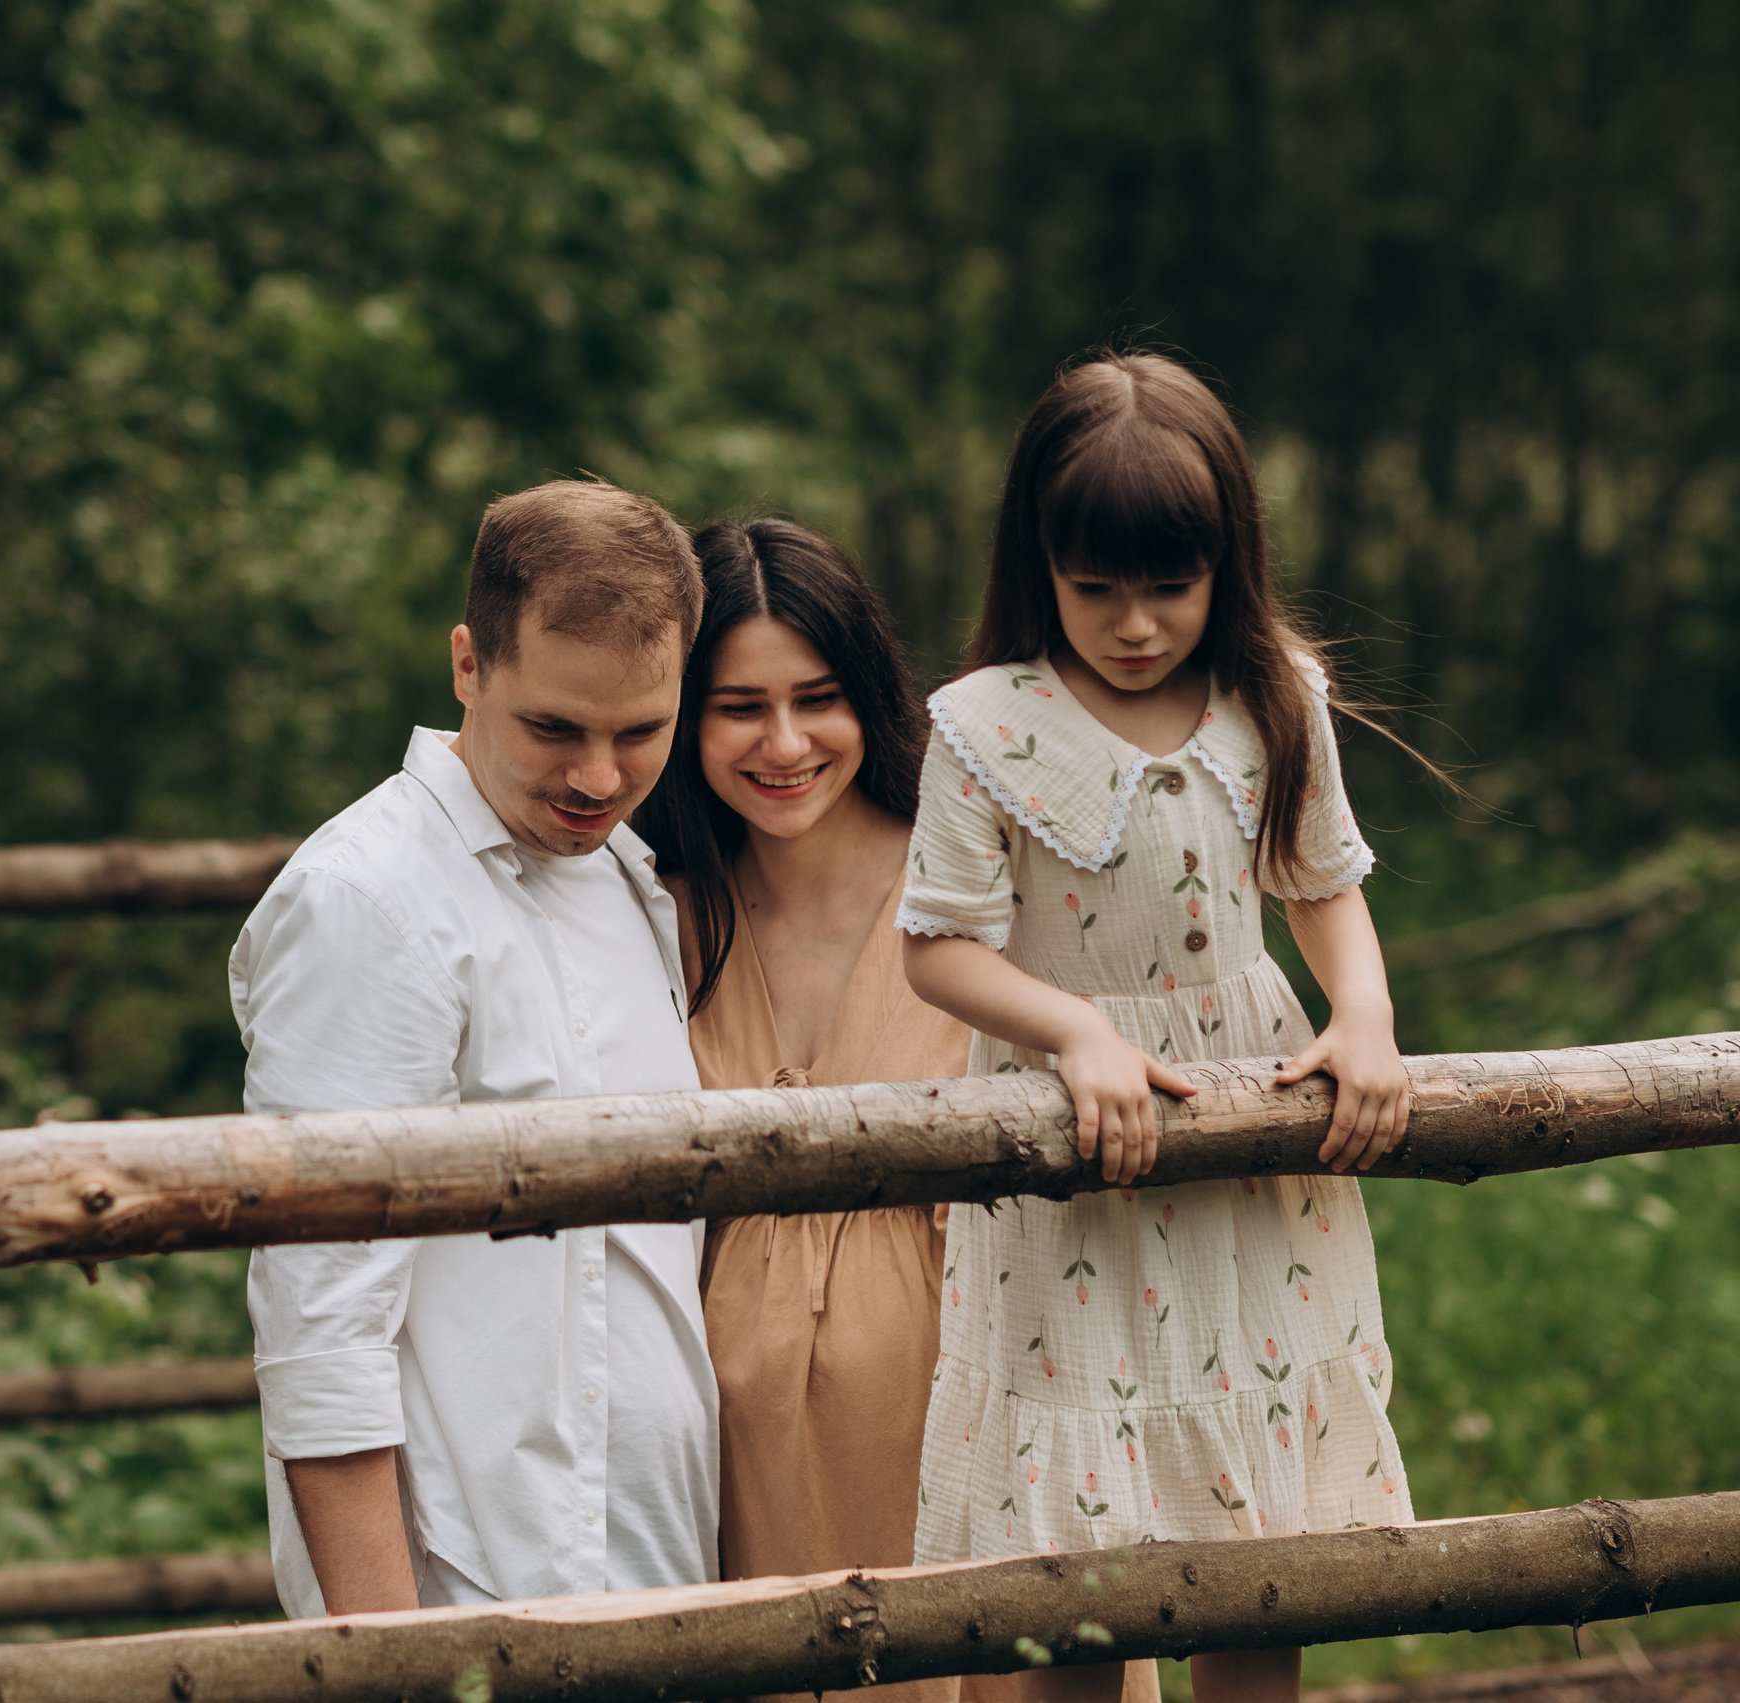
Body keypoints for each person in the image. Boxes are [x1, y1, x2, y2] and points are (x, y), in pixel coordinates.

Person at [897, 352, 1415, 1703]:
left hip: (1247, 1137)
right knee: (1080, 1569)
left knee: (1257, 1548)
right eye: (1096, 586)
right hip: (1073, 1146)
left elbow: (1324, 884)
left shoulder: (1275, 696)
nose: (1134, 624)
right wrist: (1071, 1028)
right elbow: (938, 945)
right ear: (1041, 561)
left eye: (1168, 586)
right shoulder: (983, 724)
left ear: (1224, 562)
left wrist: (1361, 1016)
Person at [634, 519, 1158, 1703]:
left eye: (816, 698)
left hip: (979, 1405)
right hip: (741, 1444)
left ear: (870, 692)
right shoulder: (652, 913)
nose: (782, 742)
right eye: (736, 707)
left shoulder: (978, 878)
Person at [232, 477, 719, 1619]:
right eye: (553, 727)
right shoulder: (367, 899)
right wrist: (392, 1654)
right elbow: (321, 1321)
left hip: (657, 1560)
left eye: (640, 731)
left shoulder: (629, 879)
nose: (597, 777)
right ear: (467, 664)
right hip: (466, 1586)